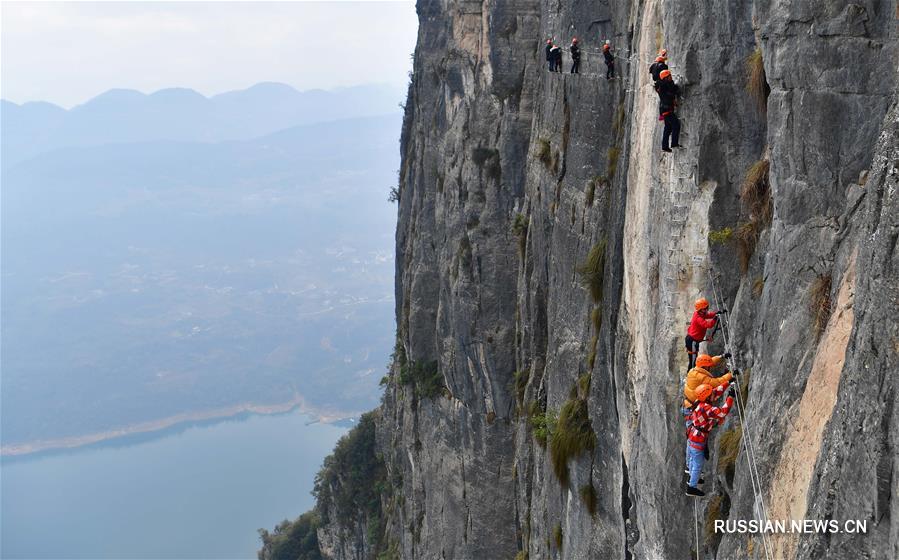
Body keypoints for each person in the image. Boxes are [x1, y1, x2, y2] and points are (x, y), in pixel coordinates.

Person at [685, 383, 736, 497]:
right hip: (698, 440)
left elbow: (716, 392)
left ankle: (693, 478)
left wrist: (728, 381)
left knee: (694, 459)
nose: (714, 394)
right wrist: (730, 398)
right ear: (707, 397)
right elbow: (723, 412)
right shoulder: (706, 408)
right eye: (711, 394)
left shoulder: (701, 403)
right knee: (698, 464)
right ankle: (691, 487)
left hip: (693, 436)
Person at [685, 297, 725, 368]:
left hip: (693, 340)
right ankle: (691, 375)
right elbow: (708, 325)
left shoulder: (700, 313)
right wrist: (715, 318)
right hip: (692, 341)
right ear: (700, 309)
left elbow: (707, 315)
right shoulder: (698, 318)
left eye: (707, 307)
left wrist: (715, 314)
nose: (707, 309)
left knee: (693, 358)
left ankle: (692, 373)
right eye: (705, 308)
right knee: (693, 360)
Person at [656, 69, 681, 152]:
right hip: (667, 110)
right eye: (669, 76)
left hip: (665, 109)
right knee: (676, 125)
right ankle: (674, 143)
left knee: (668, 128)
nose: (671, 77)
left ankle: (665, 147)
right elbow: (671, 93)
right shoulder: (665, 86)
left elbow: (669, 94)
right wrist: (676, 90)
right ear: (665, 78)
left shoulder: (663, 85)